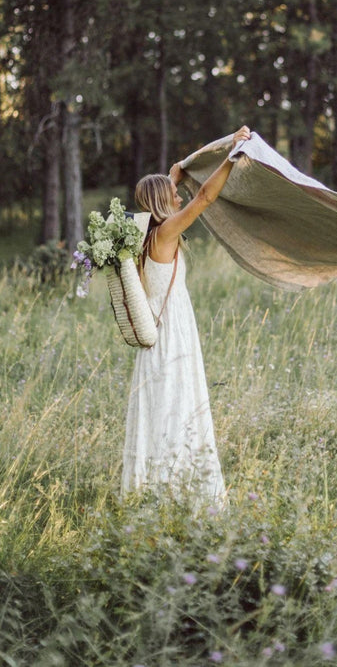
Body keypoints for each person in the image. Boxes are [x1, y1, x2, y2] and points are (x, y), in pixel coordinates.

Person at [121, 125, 252, 502]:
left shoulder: (141, 232)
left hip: (158, 335)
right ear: (163, 202)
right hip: (172, 334)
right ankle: (182, 494)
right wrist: (232, 157)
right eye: (174, 194)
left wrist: (178, 169)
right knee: (178, 407)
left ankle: (156, 492)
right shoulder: (166, 233)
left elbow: (171, 175)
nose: (179, 197)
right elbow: (206, 197)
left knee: (163, 408)